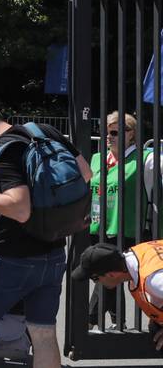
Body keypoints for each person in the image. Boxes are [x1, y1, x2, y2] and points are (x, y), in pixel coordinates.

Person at [0, 95, 92, 368]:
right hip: (53, 250)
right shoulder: (44, 132)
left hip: (10, 254)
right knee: (43, 332)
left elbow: (19, 208)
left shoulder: (5, 151)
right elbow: (85, 172)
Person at [86, 111, 145, 327]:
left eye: (115, 131)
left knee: (108, 273)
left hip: (125, 227)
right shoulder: (96, 159)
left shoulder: (143, 160)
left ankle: (91, 320)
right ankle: (116, 322)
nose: (108, 136)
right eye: (106, 131)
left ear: (131, 134)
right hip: (97, 224)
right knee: (110, 274)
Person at [71, 240, 163, 356]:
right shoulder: (136, 254)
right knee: (156, 327)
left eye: (95, 278)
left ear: (111, 274)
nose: (96, 283)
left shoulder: (154, 280)